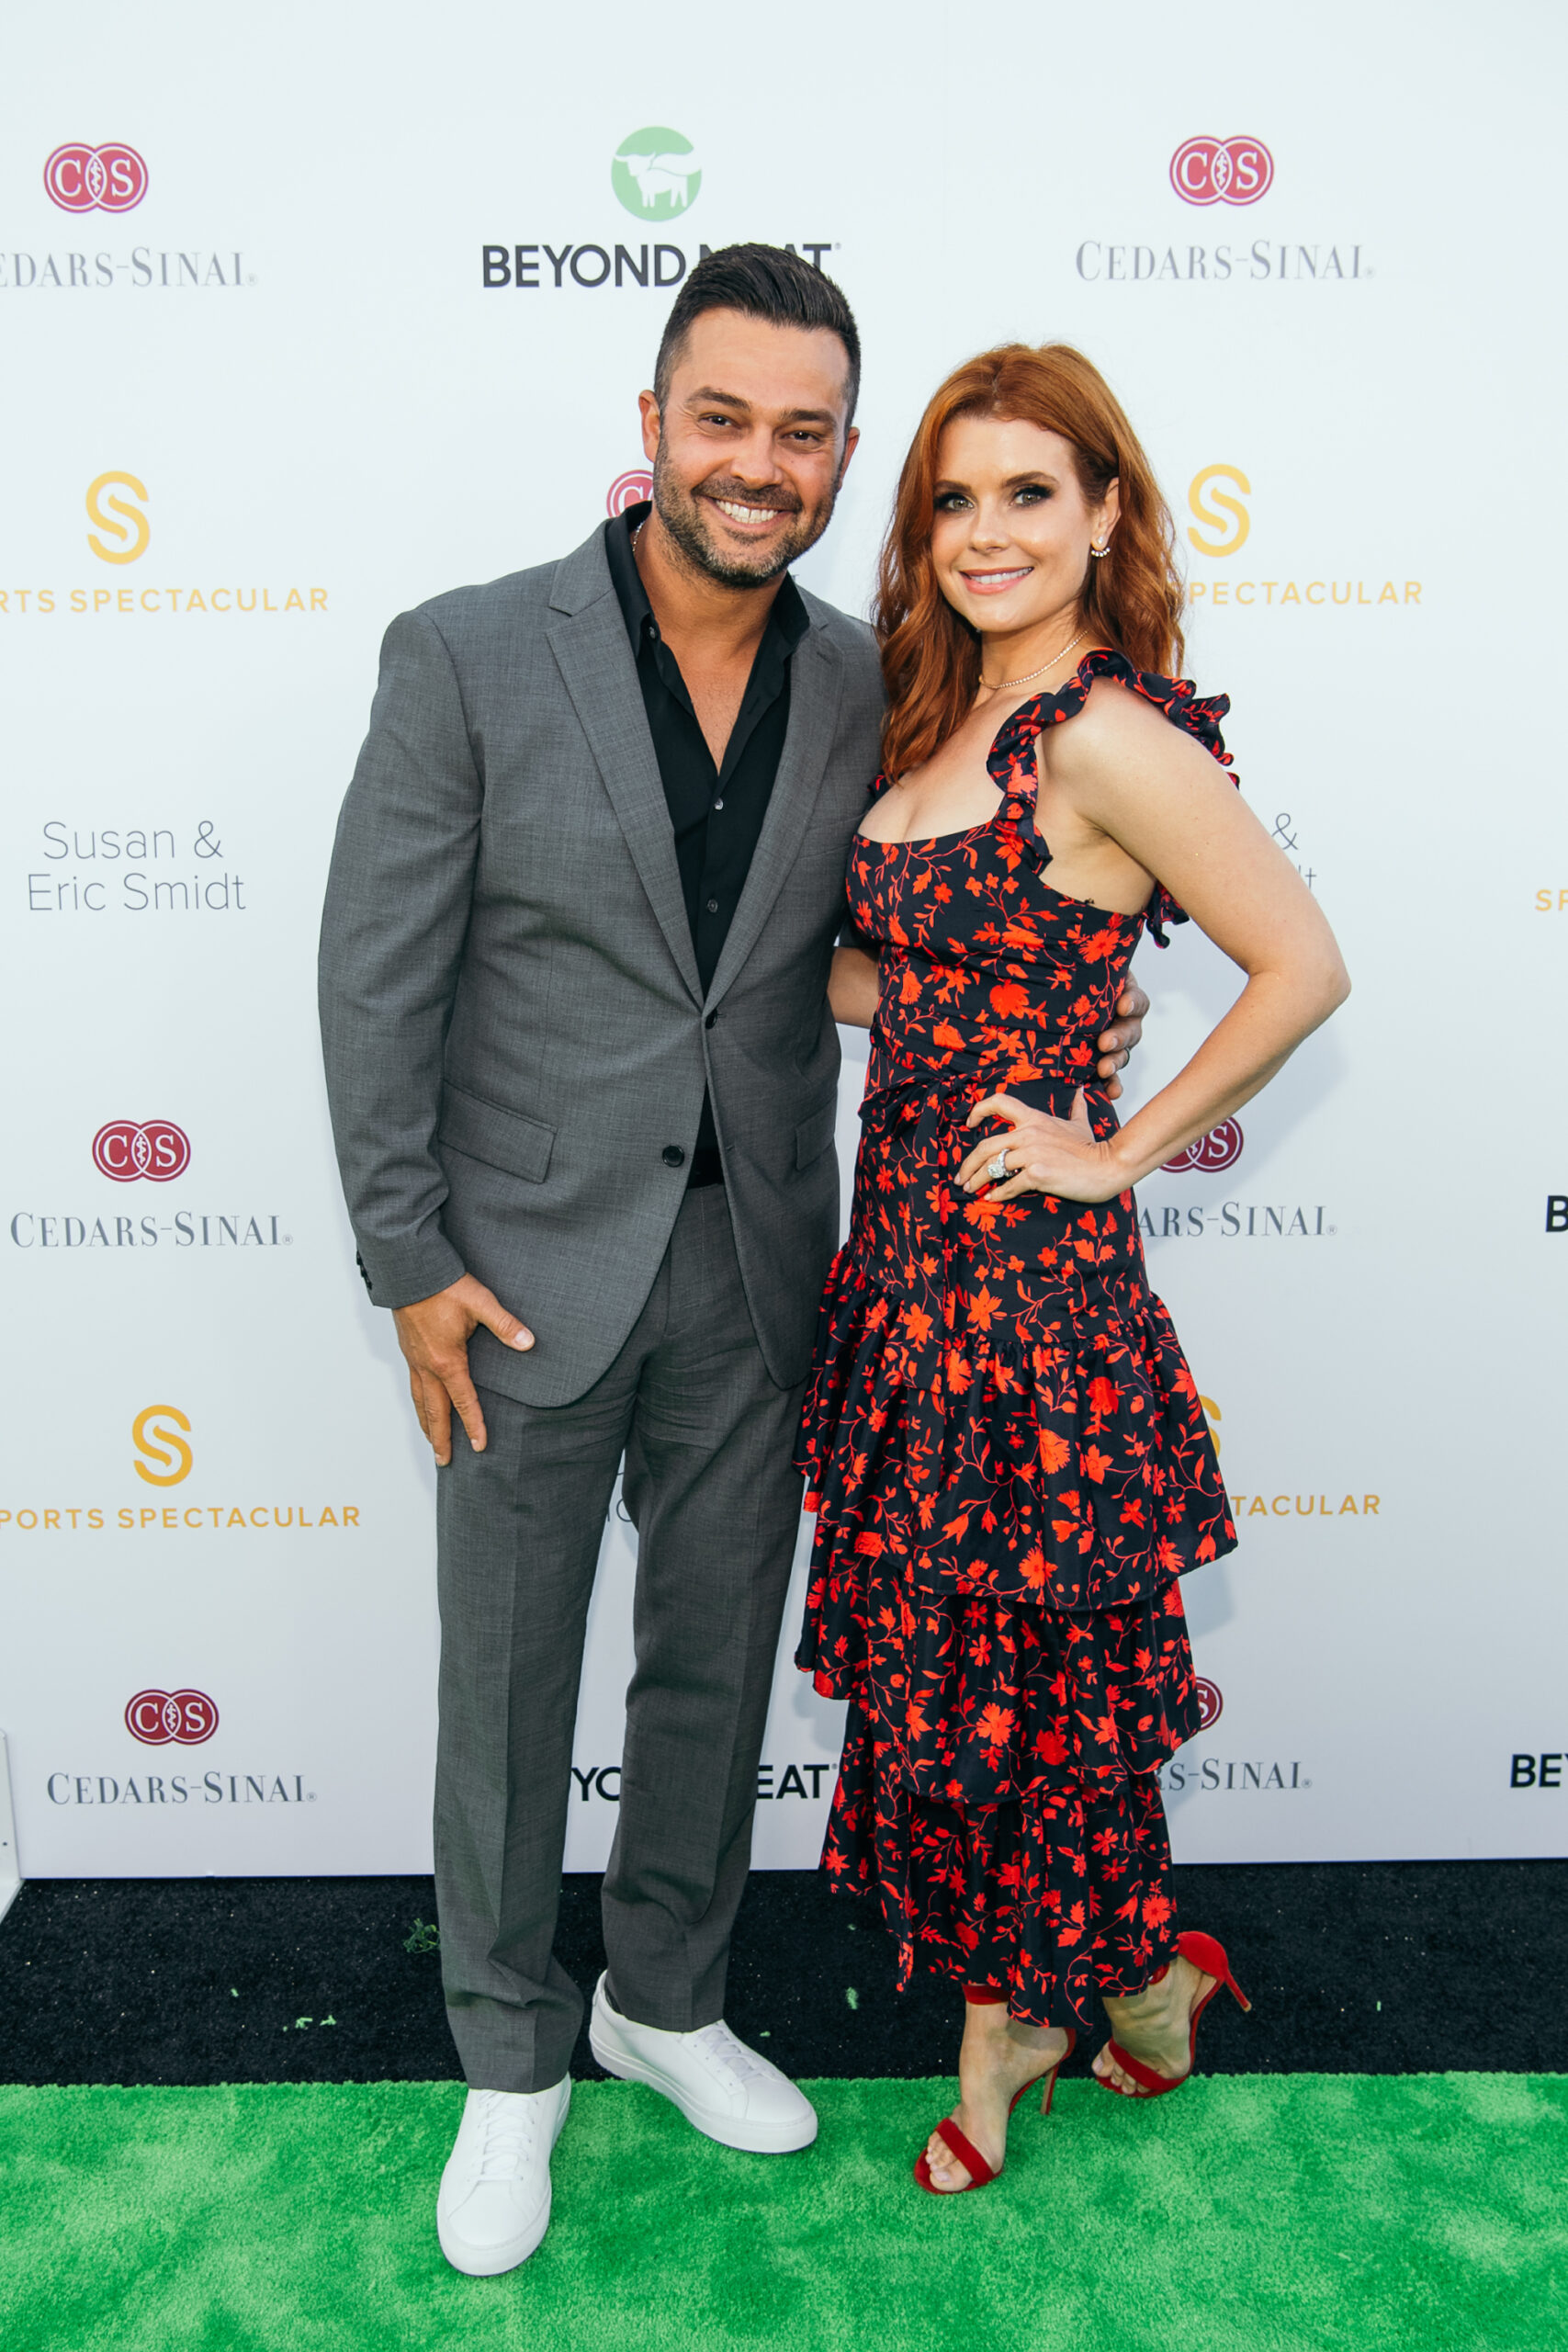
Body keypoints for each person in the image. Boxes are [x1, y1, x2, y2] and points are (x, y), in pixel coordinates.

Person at [319, 243, 1156, 2271]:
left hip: (775, 1266)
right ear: (651, 424)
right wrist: (405, 1255)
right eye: (723, 420)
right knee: (509, 1682)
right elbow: (374, 975)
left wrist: (1066, 1021)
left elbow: (899, 932)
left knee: (708, 1666)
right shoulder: (467, 651)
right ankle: (511, 2059)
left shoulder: (884, 676)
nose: (756, 465)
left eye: (802, 433)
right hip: (515, 1272)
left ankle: (661, 1995)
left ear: (840, 452)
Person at [798, 341, 1349, 2194]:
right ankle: (1127, 1984)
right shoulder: (928, 719)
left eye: (1028, 490)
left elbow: (1298, 964)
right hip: (898, 1273)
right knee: (955, 1668)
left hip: (1035, 1309)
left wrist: (1112, 1142)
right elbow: (916, 975)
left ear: (1103, 510)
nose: (982, 531)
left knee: (1037, 1672)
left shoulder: (1109, 734)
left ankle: (997, 2022)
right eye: (951, 496)